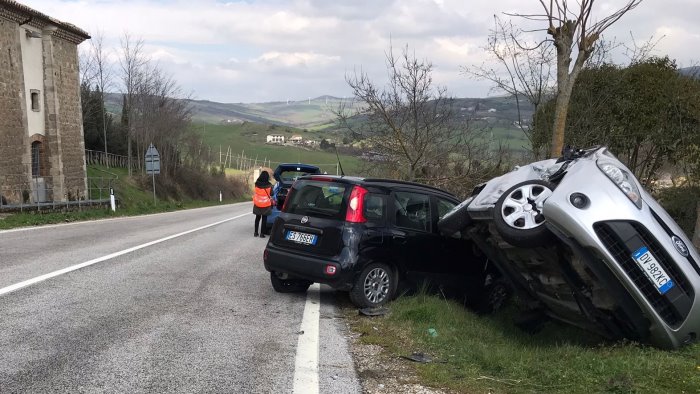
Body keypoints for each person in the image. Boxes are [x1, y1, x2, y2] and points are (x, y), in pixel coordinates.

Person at [252, 170, 274, 238]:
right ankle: (262, 234)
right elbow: (272, 194)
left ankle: (255, 233)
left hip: (257, 203)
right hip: (266, 204)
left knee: (257, 218)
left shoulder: (256, 184)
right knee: (264, 219)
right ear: (267, 177)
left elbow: (255, 191)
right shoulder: (269, 185)